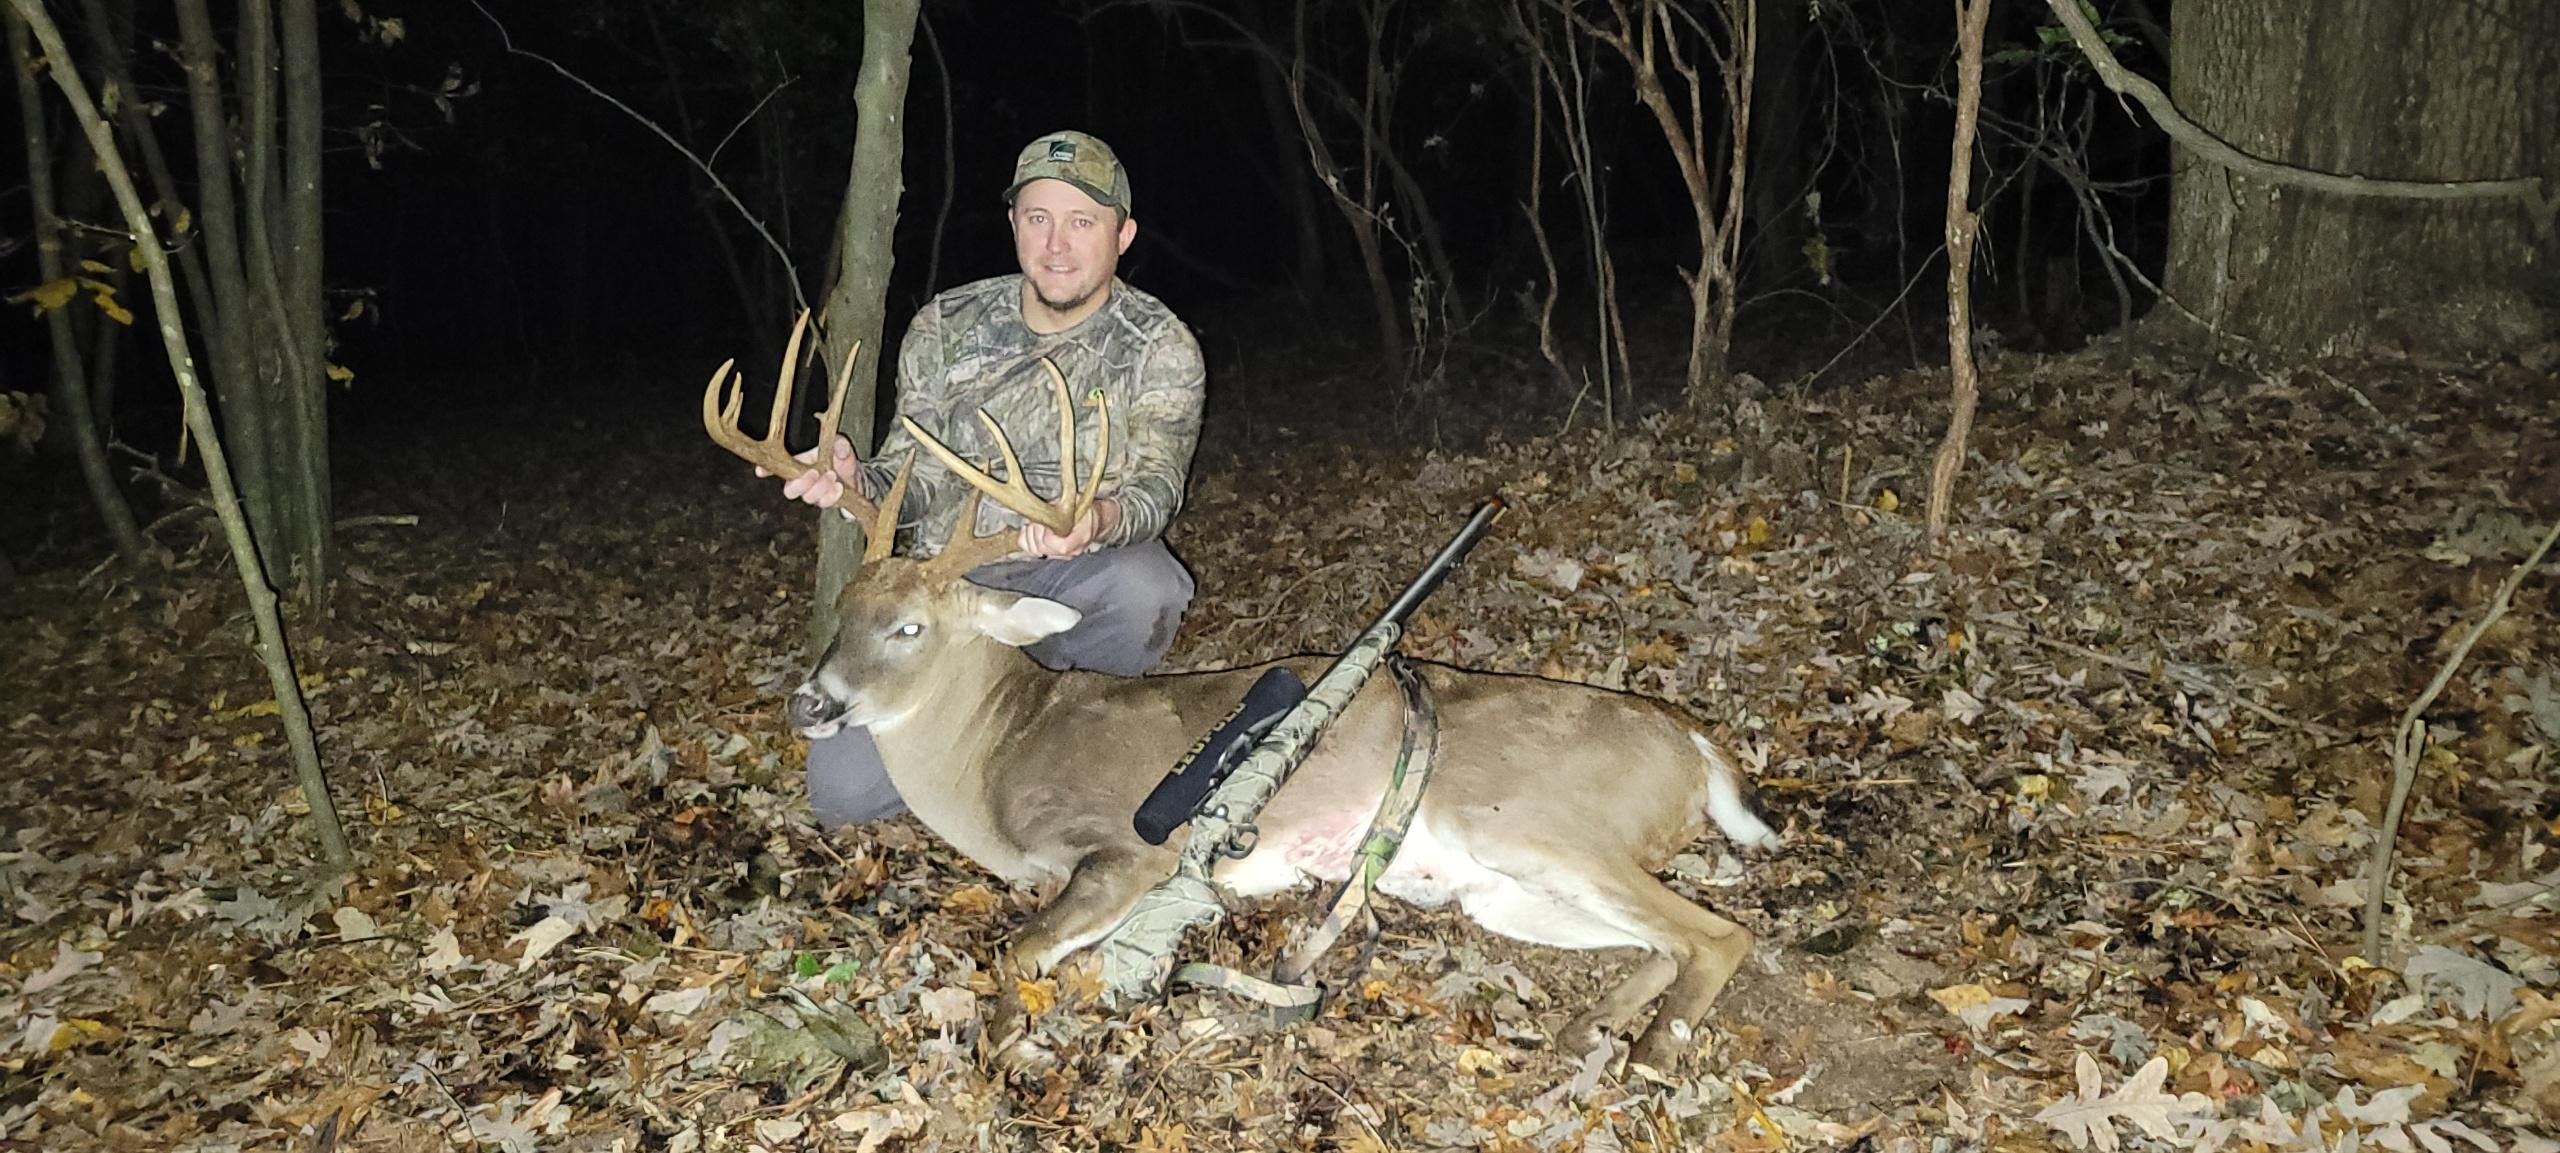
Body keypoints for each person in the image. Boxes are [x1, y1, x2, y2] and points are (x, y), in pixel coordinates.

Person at [777, 130, 1207, 827]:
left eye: (1082, 222)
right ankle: (975, 722)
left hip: (1075, 570)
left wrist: (1097, 520)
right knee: (842, 795)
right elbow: (909, 475)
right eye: (1038, 218)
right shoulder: (946, 326)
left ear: (1123, 234)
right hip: (943, 588)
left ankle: (1067, 730)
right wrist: (857, 481)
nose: (1056, 244)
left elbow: (1157, 486)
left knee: (1146, 589)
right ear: (1013, 224)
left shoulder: (1158, 344)